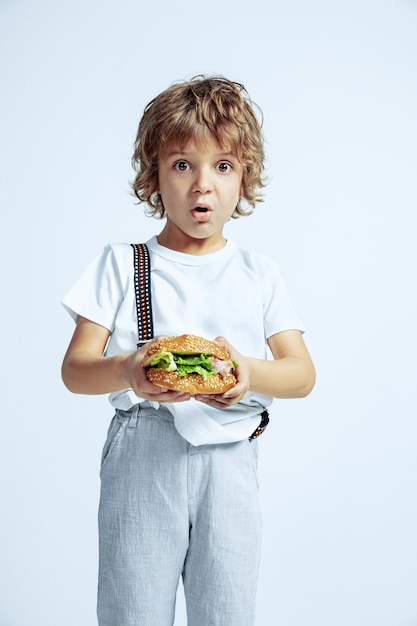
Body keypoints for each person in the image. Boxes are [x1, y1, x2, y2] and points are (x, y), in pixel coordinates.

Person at [61, 75, 315, 626]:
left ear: (245, 177)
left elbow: (301, 374)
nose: (203, 185)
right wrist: (130, 368)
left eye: (222, 166)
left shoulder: (258, 273)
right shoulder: (121, 263)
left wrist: (246, 372)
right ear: (153, 175)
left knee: (225, 611)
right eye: (182, 165)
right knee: (133, 609)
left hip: (230, 460)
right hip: (144, 450)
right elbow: (76, 371)